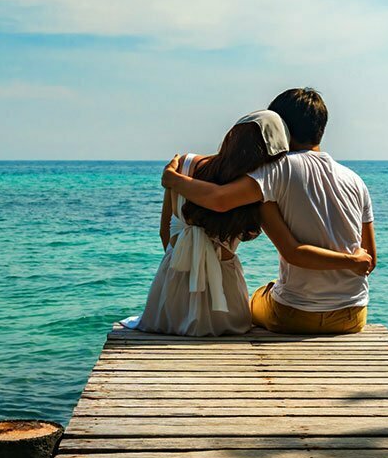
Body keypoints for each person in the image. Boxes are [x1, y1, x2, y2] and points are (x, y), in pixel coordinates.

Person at [123, 110, 371, 337]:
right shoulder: (255, 190)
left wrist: (172, 182)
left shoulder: (183, 166)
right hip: (224, 307)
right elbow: (289, 247)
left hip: (169, 297)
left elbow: (164, 232)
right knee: (258, 299)